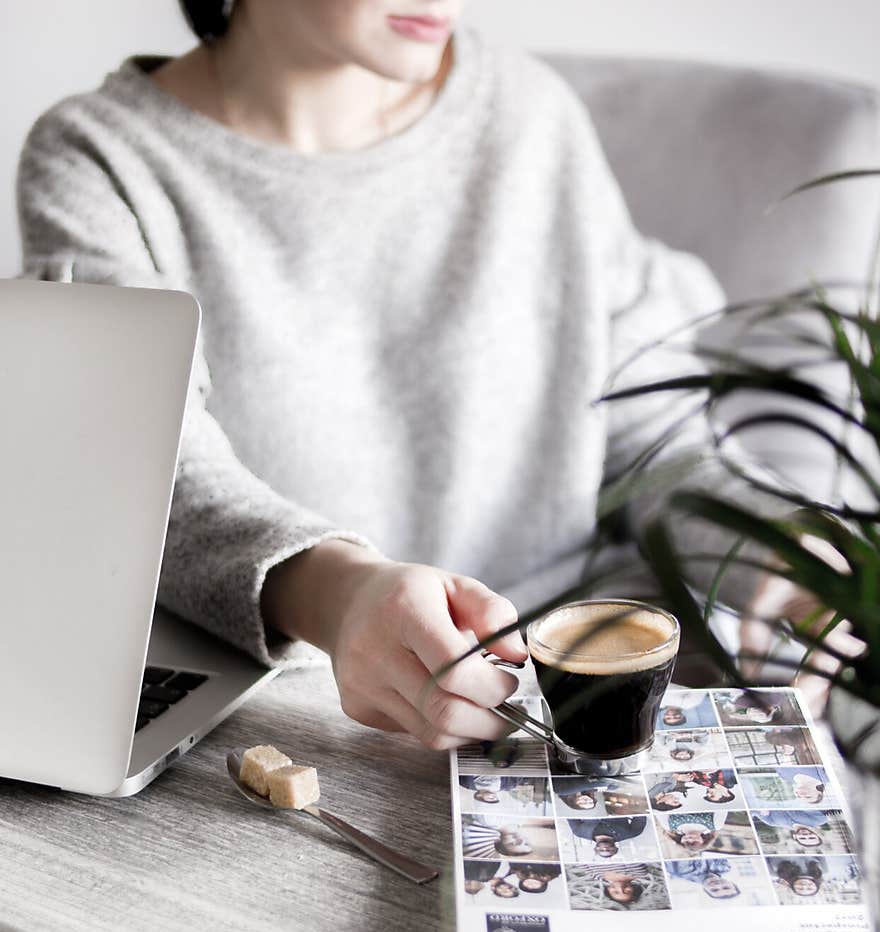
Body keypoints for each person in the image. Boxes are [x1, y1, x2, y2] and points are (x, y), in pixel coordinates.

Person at [17, 0, 830, 753]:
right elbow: (156, 481)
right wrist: (340, 598)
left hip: (574, 702)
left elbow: (651, 435)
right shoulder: (101, 161)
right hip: (302, 719)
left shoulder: (527, 115)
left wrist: (774, 546)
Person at [569, 816, 647, 859]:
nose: (605, 848)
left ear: (595, 849)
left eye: (601, 850)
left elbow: (569, 814)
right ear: (616, 848)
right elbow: (642, 814)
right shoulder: (631, 833)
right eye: (609, 850)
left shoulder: (579, 832)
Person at [666, 858, 741, 900]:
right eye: (726, 887)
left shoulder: (679, 873)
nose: (718, 885)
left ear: (704, 889)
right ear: (731, 883)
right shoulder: (725, 867)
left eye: (714, 890)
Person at [462, 819, 532, 859]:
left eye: (515, 843)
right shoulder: (493, 824)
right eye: (526, 842)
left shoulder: (490, 856)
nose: (521, 839)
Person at [754, 811, 825, 849]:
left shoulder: (773, 822)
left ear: (795, 837)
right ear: (818, 834)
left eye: (802, 838)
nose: (805, 835)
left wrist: (761, 811)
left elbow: (753, 812)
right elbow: (807, 803)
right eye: (811, 837)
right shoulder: (819, 820)